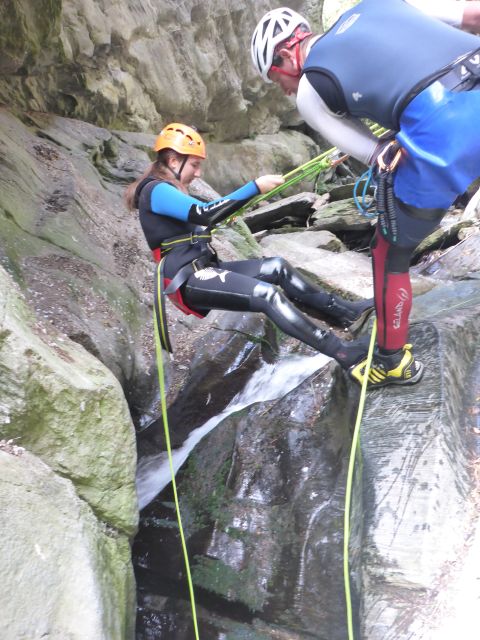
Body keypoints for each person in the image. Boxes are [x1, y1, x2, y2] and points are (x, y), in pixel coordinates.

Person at [251, 1, 480, 388]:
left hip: (439, 132)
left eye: (278, 82)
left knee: (387, 254)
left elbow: (379, 156)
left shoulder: (311, 88)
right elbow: (473, 16)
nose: (287, 90)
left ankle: (392, 361)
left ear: (285, 59)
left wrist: (391, 142)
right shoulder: (379, 5)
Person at [125, 122, 373, 368]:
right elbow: (202, 213)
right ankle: (341, 352)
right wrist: (253, 187)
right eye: (195, 165)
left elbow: (200, 218)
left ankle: (346, 313)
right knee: (267, 295)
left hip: (202, 270)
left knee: (277, 267)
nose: (198, 173)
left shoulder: (167, 191)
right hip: (187, 279)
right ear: (173, 161)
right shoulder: (156, 190)